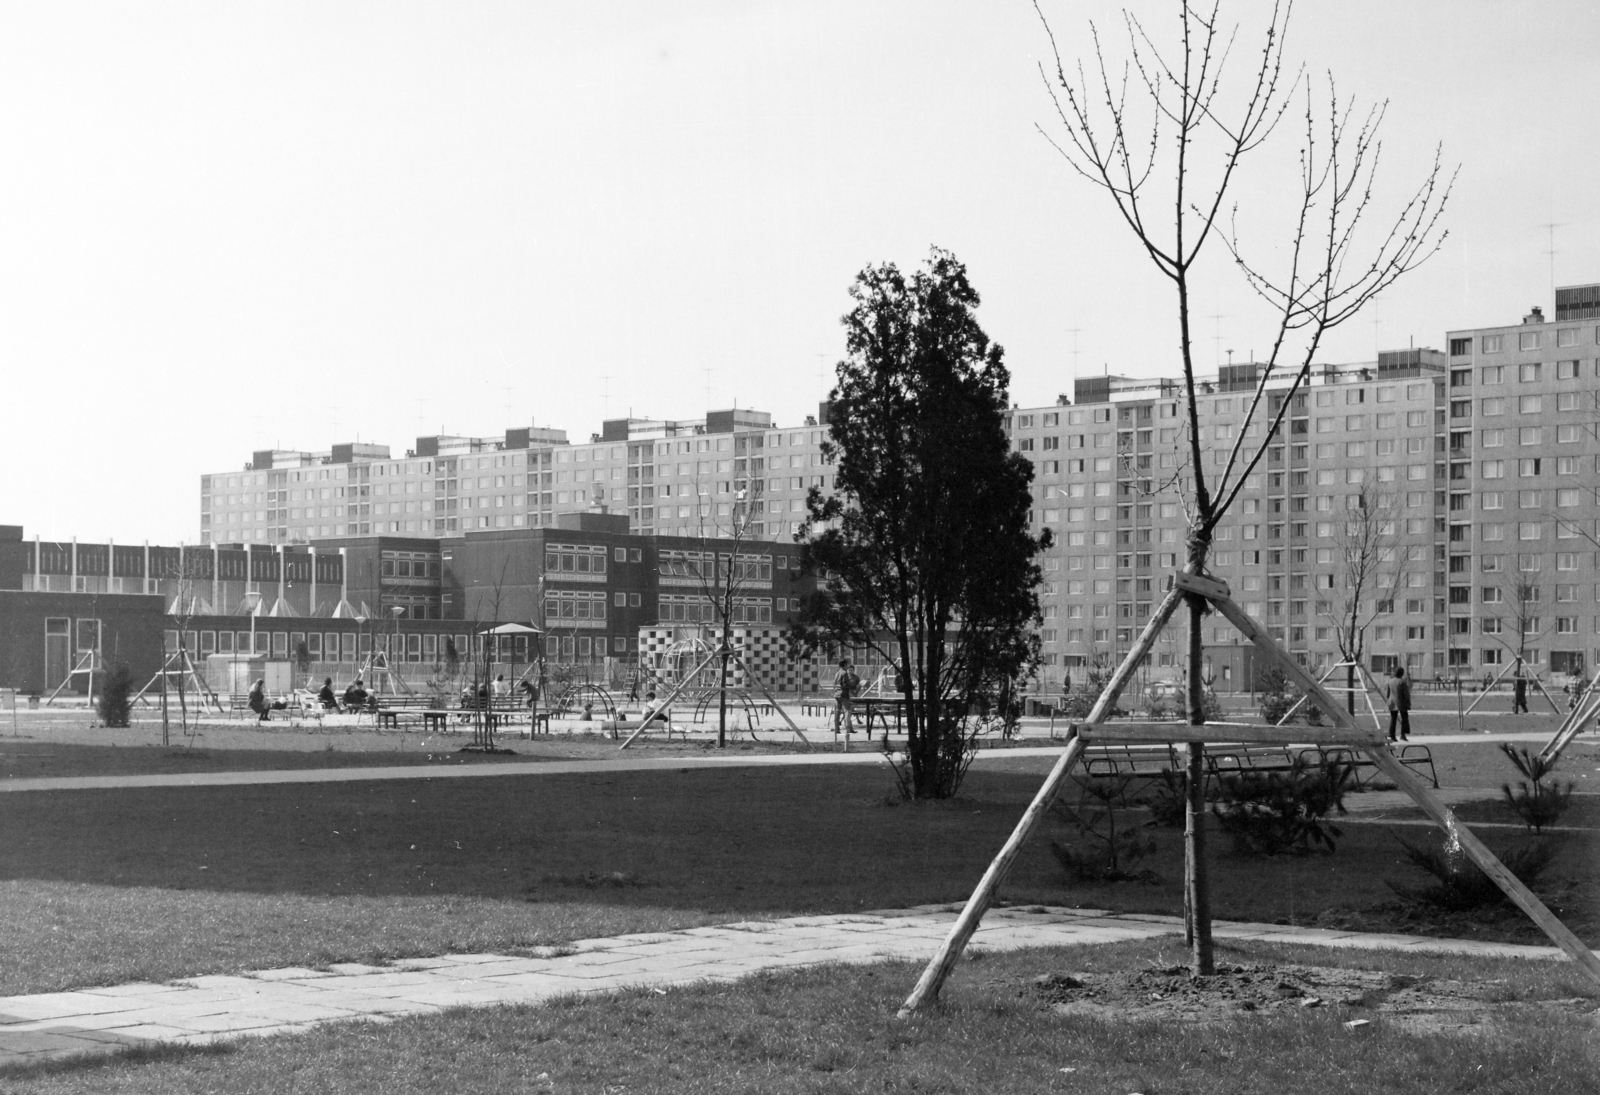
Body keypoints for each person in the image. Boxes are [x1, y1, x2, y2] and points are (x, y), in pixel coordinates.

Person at [832, 658, 861, 736]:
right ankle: (848, 729)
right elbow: (846, 684)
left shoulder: (837, 673)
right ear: (844, 665)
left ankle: (836, 729)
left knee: (837, 712)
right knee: (847, 711)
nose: (848, 666)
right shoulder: (844, 673)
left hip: (837, 694)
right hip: (843, 694)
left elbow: (834, 684)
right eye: (847, 664)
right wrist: (855, 686)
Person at [1384, 666, 1411, 743]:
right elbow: (1406, 694)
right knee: (1404, 718)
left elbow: (1387, 694)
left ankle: (1392, 735)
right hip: (1401, 702)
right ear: (1402, 673)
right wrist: (1408, 702)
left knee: (1393, 719)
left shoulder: (1390, 681)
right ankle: (1403, 734)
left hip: (1392, 702)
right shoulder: (1402, 682)